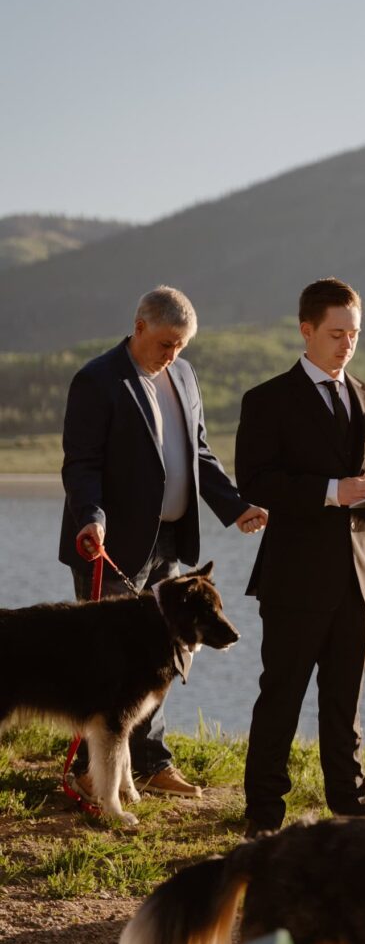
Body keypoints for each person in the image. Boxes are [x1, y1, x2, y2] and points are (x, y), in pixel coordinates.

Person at [59, 285, 267, 800]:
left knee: (162, 656)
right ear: (140, 325)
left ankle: (150, 764)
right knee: (107, 665)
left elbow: (198, 452)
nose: (173, 354)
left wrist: (235, 506)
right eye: (166, 343)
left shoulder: (184, 376)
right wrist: (92, 519)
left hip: (170, 541)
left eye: (182, 345)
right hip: (108, 543)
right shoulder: (97, 380)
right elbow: (81, 464)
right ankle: (93, 774)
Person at [235, 276, 365, 836]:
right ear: (306, 330)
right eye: (336, 333)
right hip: (295, 580)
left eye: (354, 333)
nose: (346, 343)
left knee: (344, 709)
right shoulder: (266, 400)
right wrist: (331, 490)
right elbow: (255, 480)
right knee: (279, 701)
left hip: (361, 580)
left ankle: (351, 821)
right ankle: (262, 819)